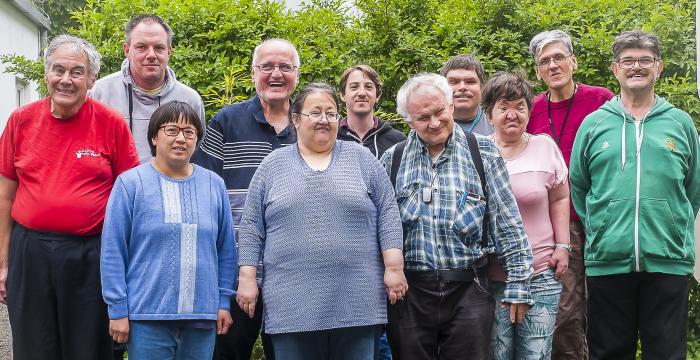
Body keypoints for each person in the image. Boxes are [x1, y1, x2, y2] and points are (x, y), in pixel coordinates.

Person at [235, 82, 408, 360]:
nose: (324, 120)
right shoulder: (272, 165)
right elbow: (252, 226)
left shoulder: (361, 158)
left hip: (358, 301)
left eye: (330, 113)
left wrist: (394, 267)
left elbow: (388, 211)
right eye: (315, 113)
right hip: (291, 303)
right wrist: (247, 279)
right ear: (296, 119)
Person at [0, 35, 139, 359]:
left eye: (76, 72)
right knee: (34, 346)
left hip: (90, 255)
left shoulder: (111, 124)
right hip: (30, 252)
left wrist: (124, 269)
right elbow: (5, 197)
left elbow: (130, 200)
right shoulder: (21, 121)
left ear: (91, 79)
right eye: (58, 70)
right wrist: (3, 263)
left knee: (89, 348)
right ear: (46, 74)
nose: (66, 79)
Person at [381, 73, 533, 359]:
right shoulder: (393, 159)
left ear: (451, 106)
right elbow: (380, 227)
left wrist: (519, 282)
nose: (435, 122)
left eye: (439, 111)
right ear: (409, 121)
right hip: (410, 293)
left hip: (469, 287)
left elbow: (507, 222)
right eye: (423, 117)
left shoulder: (483, 152)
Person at [570, 30, 700, 359]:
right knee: (608, 352)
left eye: (645, 60)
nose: (636, 67)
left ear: (659, 67)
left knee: (667, 353)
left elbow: (694, 189)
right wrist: (603, 228)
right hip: (607, 262)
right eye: (628, 61)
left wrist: (671, 227)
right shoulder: (594, 124)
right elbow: (579, 185)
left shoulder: (681, 124)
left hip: (667, 261)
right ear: (615, 69)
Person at [100, 101, 237, 360]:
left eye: (189, 132)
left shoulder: (214, 185)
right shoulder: (131, 184)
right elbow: (113, 251)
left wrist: (223, 302)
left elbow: (226, 250)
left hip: (201, 316)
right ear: (154, 136)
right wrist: (117, 309)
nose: (181, 138)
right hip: (146, 317)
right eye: (171, 130)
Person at [192, 38, 299, 360]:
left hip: (294, 271)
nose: (275, 74)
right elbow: (202, 189)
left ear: (297, 73)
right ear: (253, 73)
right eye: (267, 66)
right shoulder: (226, 121)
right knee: (227, 352)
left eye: (284, 67)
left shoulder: (308, 124)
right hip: (237, 269)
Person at [527, 30, 613, 359]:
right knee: (565, 315)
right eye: (544, 61)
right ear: (538, 71)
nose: (552, 65)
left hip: (604, 221)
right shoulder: (532, 110)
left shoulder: (601, 100)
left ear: (573, 62)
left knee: (605, 309)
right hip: (560, 227)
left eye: (559, 57)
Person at [483, 71, 570, 360]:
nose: (512, 114)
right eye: (503, 107)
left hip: (542, 271)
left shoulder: (544, 147)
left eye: (520, 106)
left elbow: (560, 197)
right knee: (498, 354)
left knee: (536, 355)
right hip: (493, 275)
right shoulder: (476, 152)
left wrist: (563, 245)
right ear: (489, 114)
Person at [90, 14, 206, 163]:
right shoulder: (102, 92)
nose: (151, 55)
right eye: (141, 47)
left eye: (159, 48)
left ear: (169, 51)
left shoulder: (189, 99)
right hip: (113, 185)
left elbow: (196, 154)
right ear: (127, 50)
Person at [337, 64, 406, 158]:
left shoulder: (398, 141)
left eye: (368, 87)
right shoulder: (331, 138)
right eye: (354, 87)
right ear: (342, 95)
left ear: (377, 95)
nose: (362, 93)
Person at [439, 54, 494, 136]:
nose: (462, 87)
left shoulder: (497, 121)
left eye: (470, 82)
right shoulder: (431, 124)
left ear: (482, 87)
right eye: (454, 82)